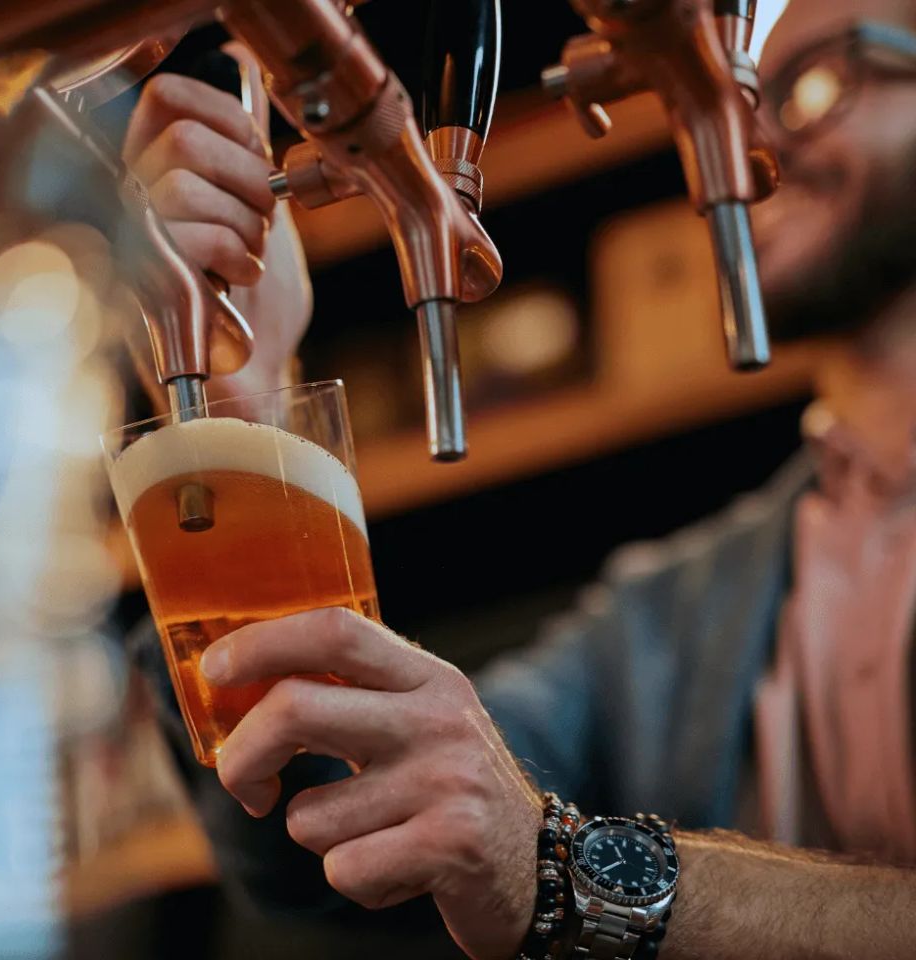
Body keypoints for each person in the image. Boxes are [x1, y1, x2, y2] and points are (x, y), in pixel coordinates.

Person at [122, 0, 916, 957]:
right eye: (739, 96)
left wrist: (563, 871)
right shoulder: (671, 613)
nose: (755, 138)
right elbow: (358, 841)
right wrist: (246, 413)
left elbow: (528, 853)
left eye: (820, 81)